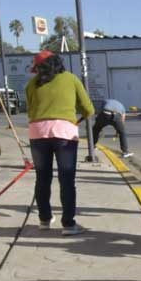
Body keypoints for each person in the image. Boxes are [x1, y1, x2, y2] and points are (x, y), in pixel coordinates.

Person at [24, 50, 95, 236]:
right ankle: (68, 224)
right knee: (66, 179)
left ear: (39, 68)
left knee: (42, 177)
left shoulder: (32, 84)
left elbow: (31, 112)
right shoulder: (71, 79)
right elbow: (88, 109)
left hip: (37, 133)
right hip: (64, 133)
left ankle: (44, 220)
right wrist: (73, 119)